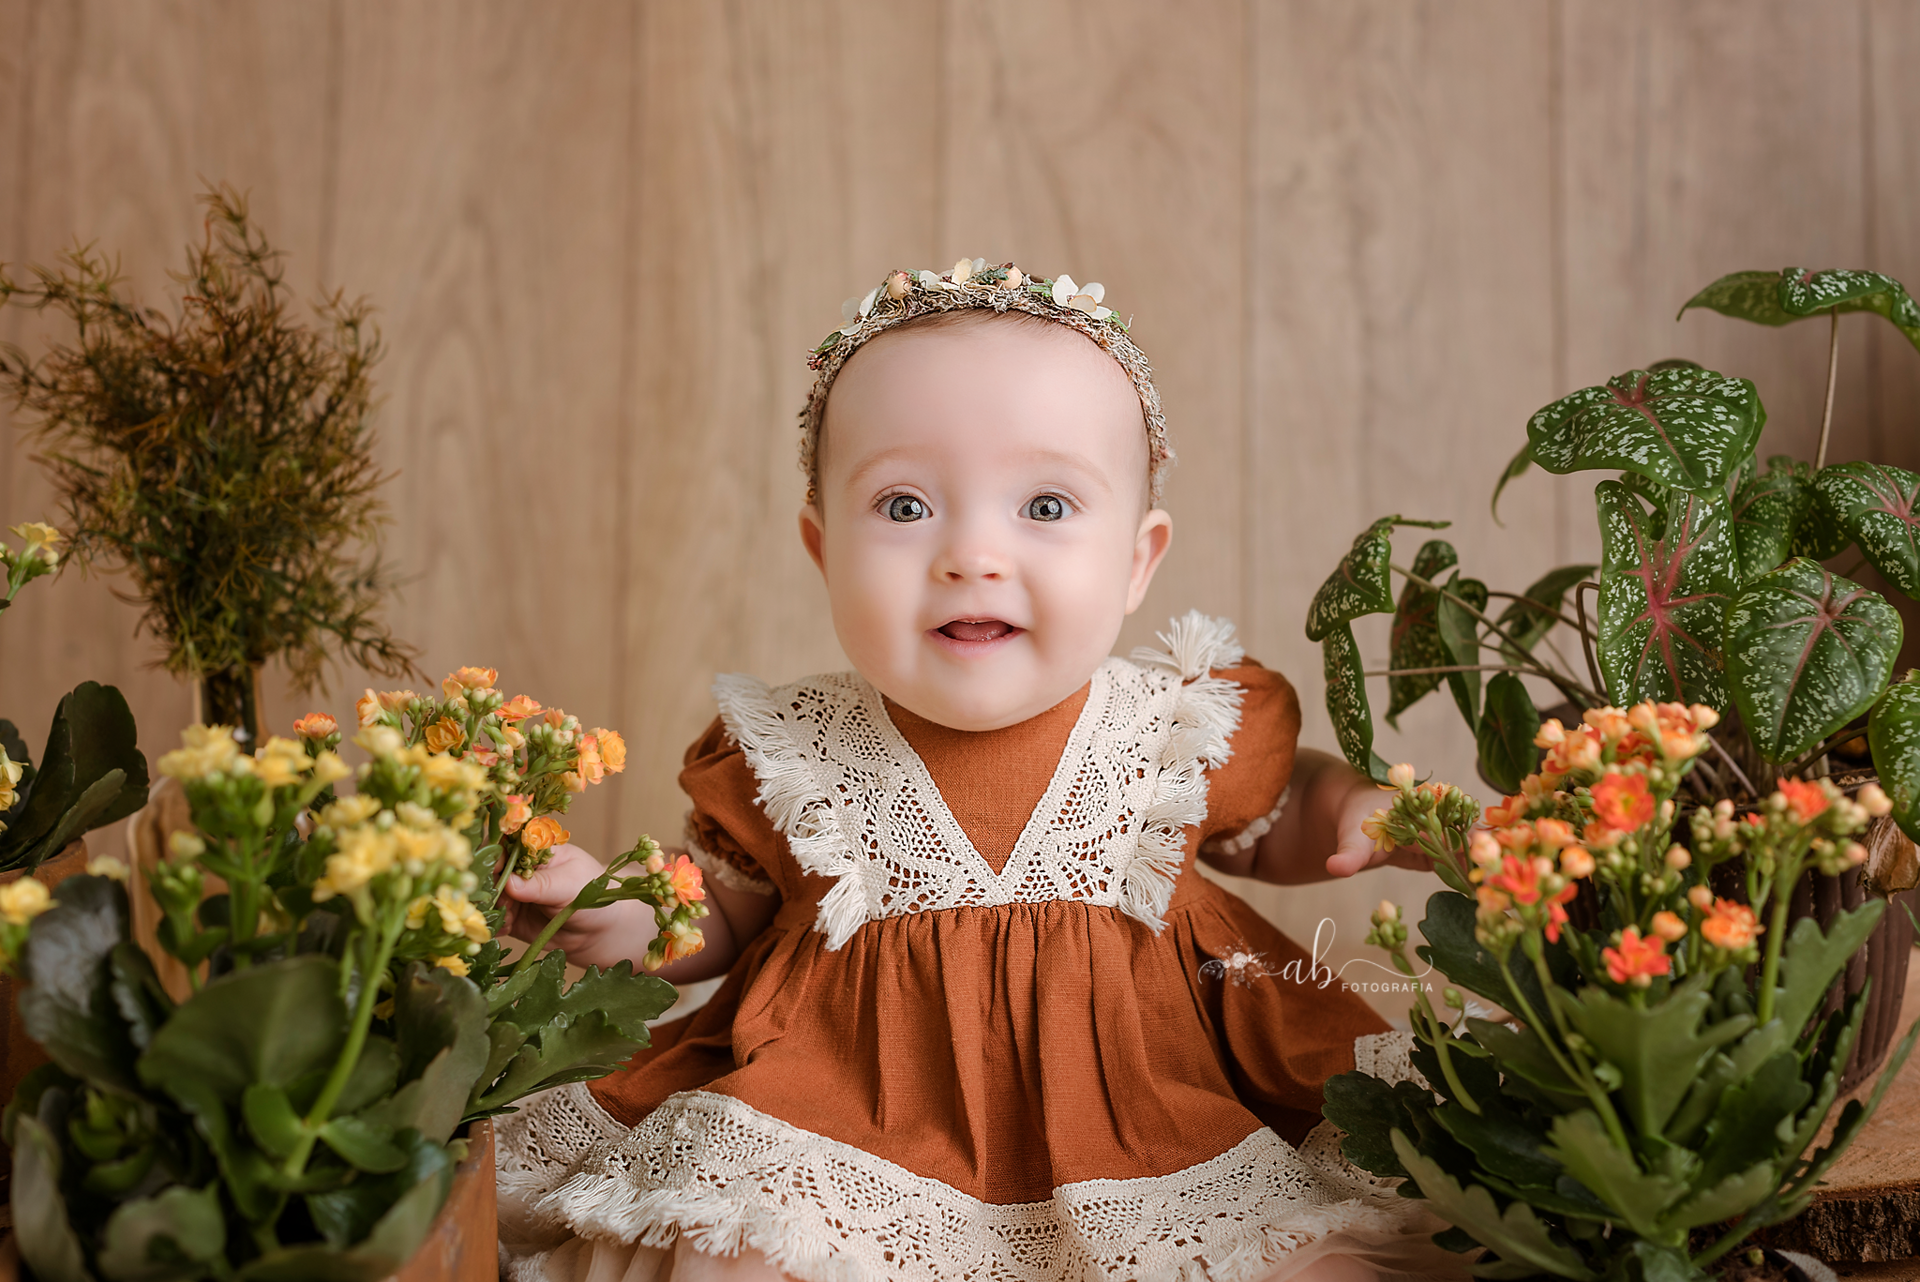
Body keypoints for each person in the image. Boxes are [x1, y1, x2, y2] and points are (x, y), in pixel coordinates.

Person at [495, 263, 1463, 1282]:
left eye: (1045, 504)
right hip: (841, 1127)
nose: (972, 553)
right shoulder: (798, 746)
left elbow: (1275, 810)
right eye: (905, 505)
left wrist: (1359, 807)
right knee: (731, 1252)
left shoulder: (1165, 724)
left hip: (1151, 1127)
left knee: (1286, 1265)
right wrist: (605, 915)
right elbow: (720, 910)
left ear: (1139, 560)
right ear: (823, 550)